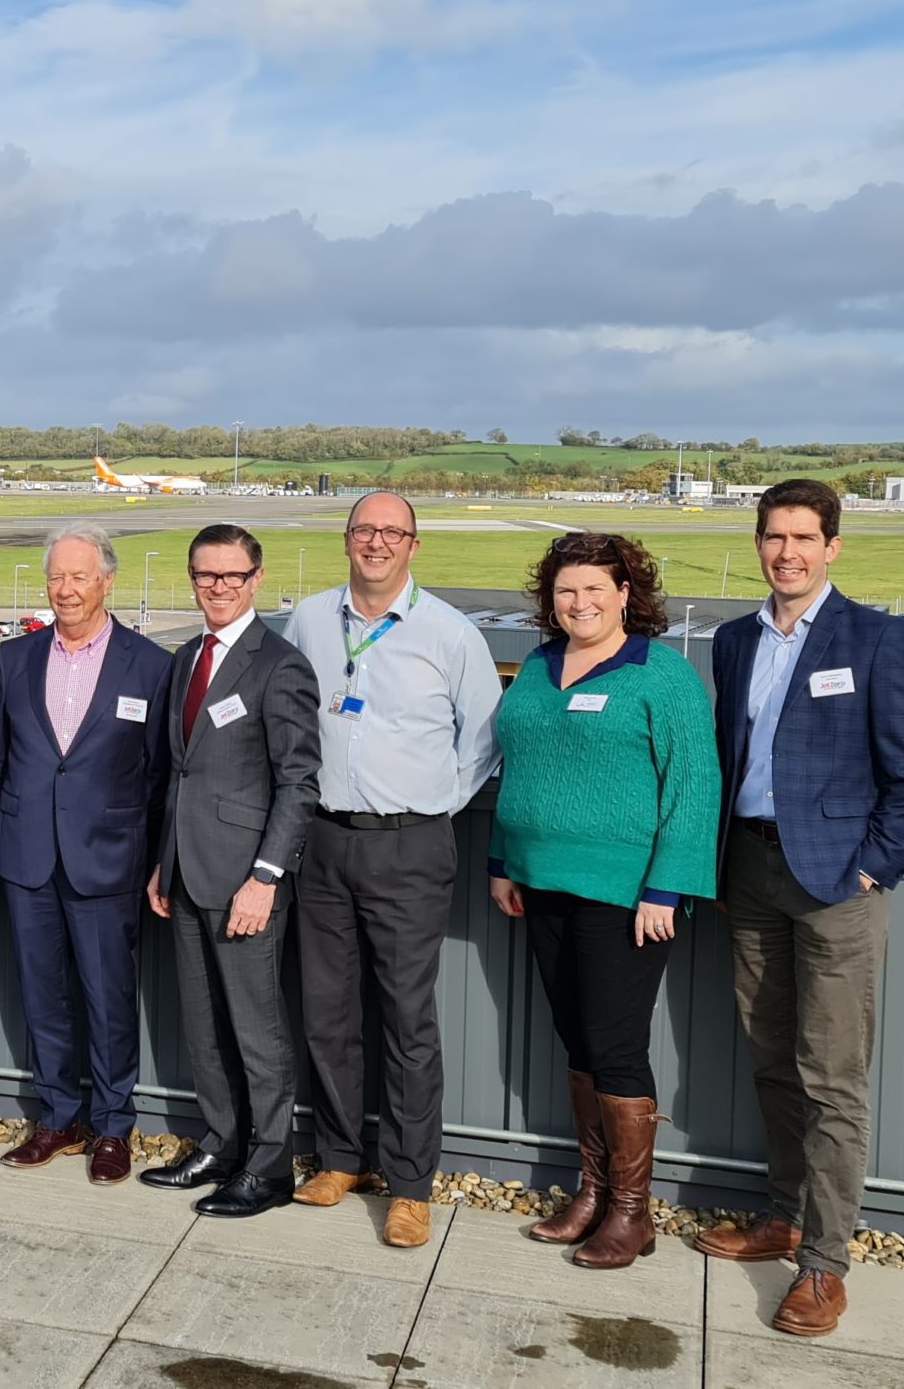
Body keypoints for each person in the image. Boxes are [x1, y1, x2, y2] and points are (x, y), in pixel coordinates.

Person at [694, 479, 904, 1336]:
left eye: (804, 537)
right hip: (752, 874)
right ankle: (785, 1211)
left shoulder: (875, 638)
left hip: (838, 888)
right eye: (774, 537)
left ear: (832, 546)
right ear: (759, 543)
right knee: (770, 1058)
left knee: (831, 1077)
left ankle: (824, 1264)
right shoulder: (733, 640)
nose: (788, 552)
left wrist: (874, 867)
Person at [488, 532, 719, 1268]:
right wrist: (502, 861)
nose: (578, 602)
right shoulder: (536, 664)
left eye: (594, 589)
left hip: (625, 895)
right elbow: (517, 766)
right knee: (577, 1038)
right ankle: (591, 1191)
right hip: (540, 882)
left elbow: (694, 786)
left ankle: (632, 1211)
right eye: (564, 590)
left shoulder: (663, 674)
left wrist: (666, 886)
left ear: (627, 593)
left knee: (616, 1046)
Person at [283, 492, 500, 1248]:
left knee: (408, 1020)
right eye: (364, 529)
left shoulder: (450, 633)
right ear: (347, 538)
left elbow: (482, 740)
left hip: (410, 845)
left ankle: (410, 1184)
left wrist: (430, 805)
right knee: (328, 1009)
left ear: (414, 544)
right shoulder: (309, 618)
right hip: (324, 838)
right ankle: (341, 1158)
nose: (376, 542)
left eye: (392, 532)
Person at [141, 524, 319, 1216]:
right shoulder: (187, 657)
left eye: (231, 576)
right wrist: (164, 863)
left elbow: (299, 781)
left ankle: (271, 1166)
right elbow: (178, 776)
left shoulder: (280, 664)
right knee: (203, 1023)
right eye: (205, 575)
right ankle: (221, 1141)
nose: (217, 587)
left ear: (255, 578)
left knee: (255, 1025)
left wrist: (266, 876)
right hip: (186, 874)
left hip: (246, 881)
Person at [0, 523, 173, 1188]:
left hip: (110, 859)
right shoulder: (12, 659)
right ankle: (59, 1116)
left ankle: (113, 1125)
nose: (65, 589)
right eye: (56, 577)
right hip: (28, 855)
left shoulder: (151, 664)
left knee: (107, 997)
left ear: (106, 581)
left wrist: (155, 859)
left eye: (79, 576)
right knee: (43, 996)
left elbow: (160, 775)